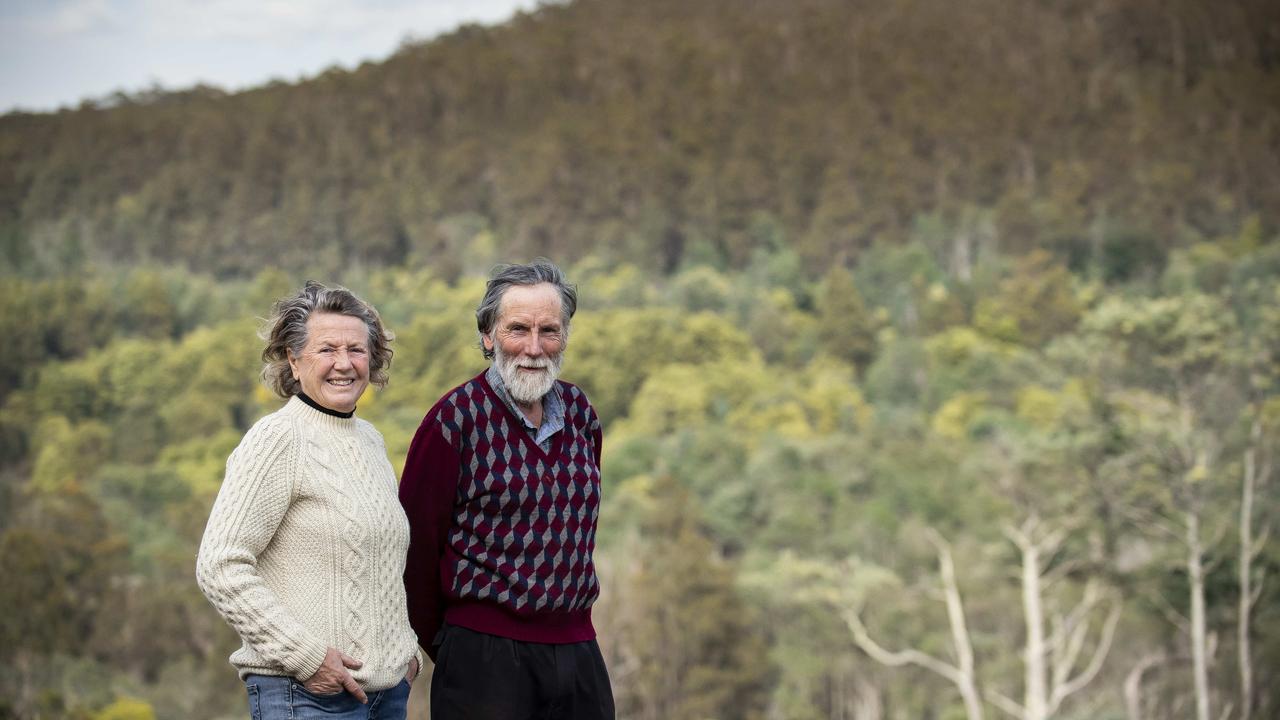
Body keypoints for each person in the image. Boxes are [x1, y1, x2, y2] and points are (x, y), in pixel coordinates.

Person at [197, 281, 422, 720]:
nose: (344, 364)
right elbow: (219, 565)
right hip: (307, 697)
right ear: (294, 361)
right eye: (326, 350)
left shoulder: (371, 441)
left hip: (386, 697)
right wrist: (306, 657)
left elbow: (381, 558)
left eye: (356, 350)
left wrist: (404, 648)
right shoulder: (277, 439)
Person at [399, 260, 615, 720]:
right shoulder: (454, 420)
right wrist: (456, 644)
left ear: (565, 337)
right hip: (483, 657)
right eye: (518, 329)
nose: (534, 348)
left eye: (549, 331)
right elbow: (412, 549)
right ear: (487, 335)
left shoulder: (581, 413)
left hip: (578, 651)